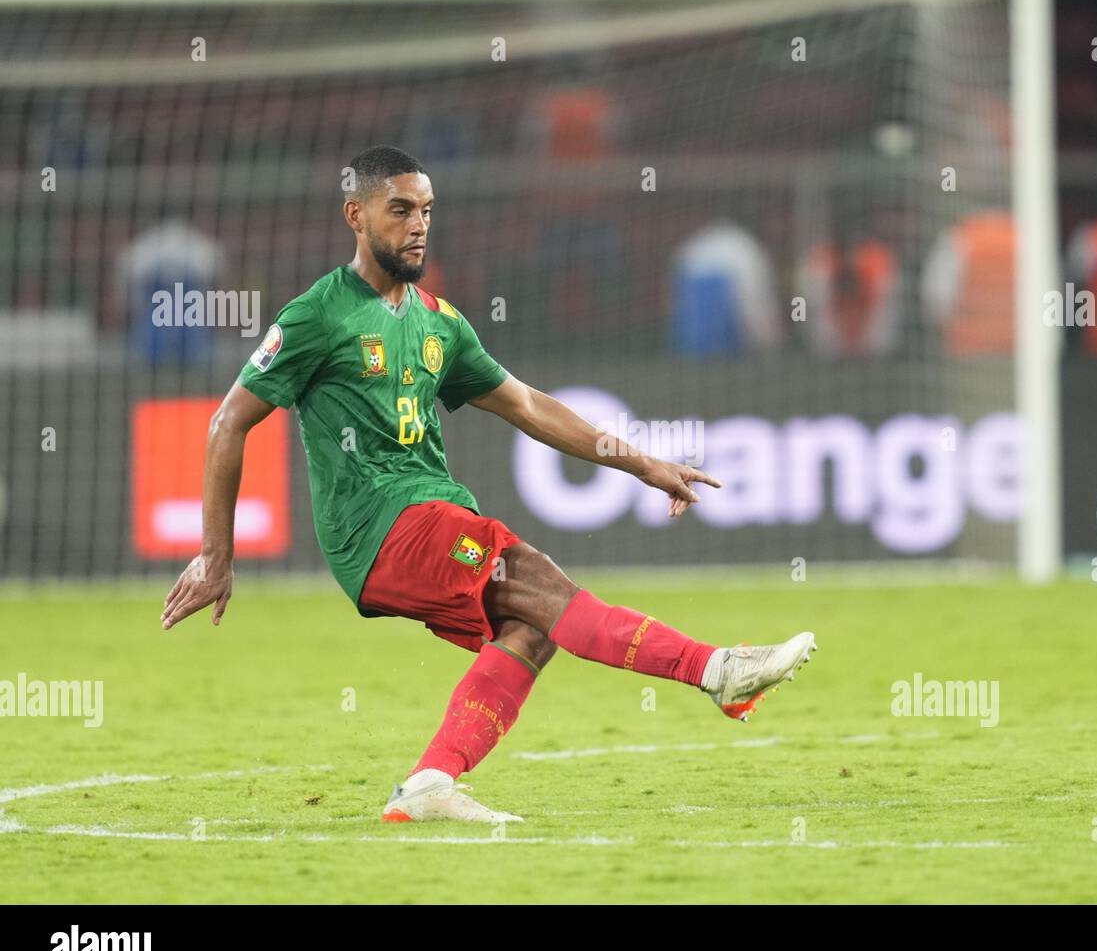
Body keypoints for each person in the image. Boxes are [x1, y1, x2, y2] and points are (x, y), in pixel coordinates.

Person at [159, 146, 815, 824]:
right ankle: (717, 671)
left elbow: (529, 406)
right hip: (379, 528)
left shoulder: (439, 321)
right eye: (401, 210)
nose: (419, 225)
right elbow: (226, 423)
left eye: (428, 211)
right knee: (542, 582)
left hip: (432, 515)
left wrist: (642, 461)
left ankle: (429, 782)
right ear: (355, 215)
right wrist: (217, 553)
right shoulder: (317, 315)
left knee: (534, 628)